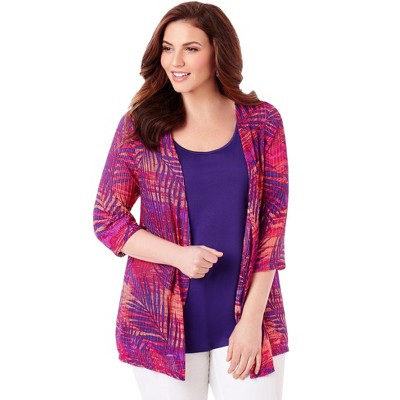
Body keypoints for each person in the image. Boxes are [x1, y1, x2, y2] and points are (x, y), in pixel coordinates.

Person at [93, 2, 289, 399]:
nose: (175, 61)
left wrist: (252, 321)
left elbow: (273, 227)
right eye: (168, 48)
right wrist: (178, 256)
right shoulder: (139, 128)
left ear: (219, 52)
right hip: (159, 325)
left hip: (249, 318)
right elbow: (107, 219)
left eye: (191, 48)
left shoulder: (262, 122)